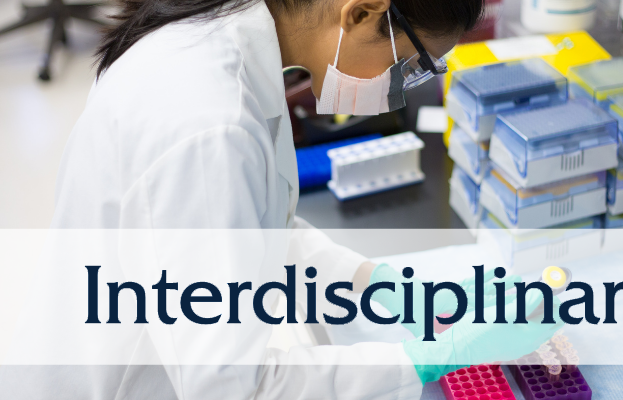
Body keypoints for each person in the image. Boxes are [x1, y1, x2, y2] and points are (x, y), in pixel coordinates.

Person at [25, 0, 561, 397]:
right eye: (411, 64)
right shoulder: (210, 124)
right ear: (361, 13)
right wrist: (423, 360)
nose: (401, 86)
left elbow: (254, 226)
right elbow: (231, 388)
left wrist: (375, 283)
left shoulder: (223, 38)